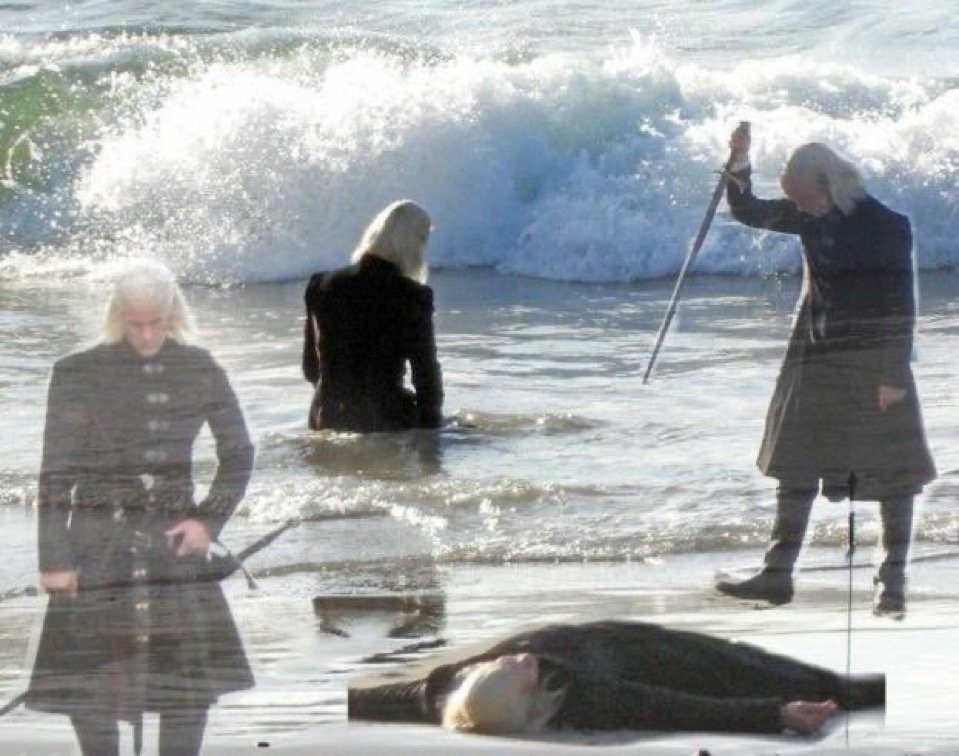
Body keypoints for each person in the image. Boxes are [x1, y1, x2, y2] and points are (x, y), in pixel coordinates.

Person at [26, 260, 256, 755]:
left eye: (157, 322)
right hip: (93, 550)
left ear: (173, 314)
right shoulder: (76, 372)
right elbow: (55, 474)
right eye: (136, 324)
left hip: (174, 547)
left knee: (187, 694)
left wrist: (207, 521)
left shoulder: (200, 367)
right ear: (118, 315)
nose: (147, 334)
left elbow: (239, 454)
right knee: (91, 694)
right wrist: (54, 559)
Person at [714, 124, 936, 617]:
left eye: (804, 198)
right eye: (794, 200)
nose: (800, 207)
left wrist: (894, 375)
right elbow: (748, 209)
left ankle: (891, 583)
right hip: (815, 355)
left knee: (892, 474)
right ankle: (777, 575)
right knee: (796, 463)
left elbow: (901, 304)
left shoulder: (886, 226)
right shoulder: (808, 215)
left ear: (828, 184)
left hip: (873, 359)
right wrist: (739, 161)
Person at [348, 620, 883, 736]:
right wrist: (773, 714)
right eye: (519, 671)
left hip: (618, 632)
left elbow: (380, 700)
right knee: (819, 686)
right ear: (537, 701)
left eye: (499, 665)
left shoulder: (452, 689)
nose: (517, 659)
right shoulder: (581, 695)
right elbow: (667, 706)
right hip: (664, 661)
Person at [302, 199, 444, 432]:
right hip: (385, 419)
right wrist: (434, 432)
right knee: (472, 433)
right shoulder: (412, 295)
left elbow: (311, 368)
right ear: (415, 244)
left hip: (325, 416)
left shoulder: (321, 284)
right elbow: (425, 374)